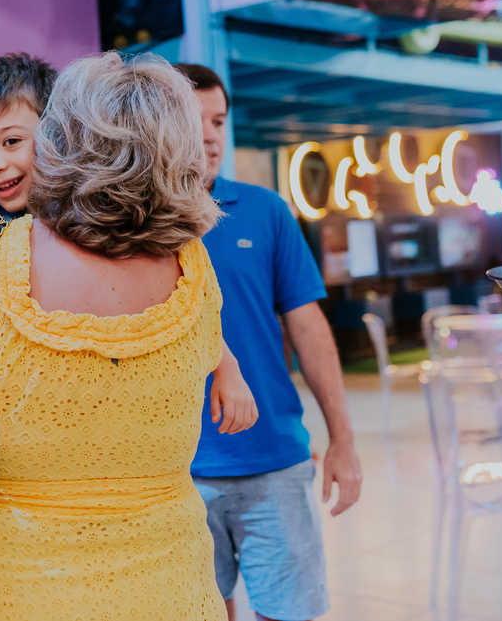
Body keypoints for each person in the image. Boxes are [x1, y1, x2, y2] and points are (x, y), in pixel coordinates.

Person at [0, 53, 256, 619]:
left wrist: (226, 366)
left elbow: (201, 322)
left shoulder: (18, 242)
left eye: (13, 142)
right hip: (158, 569)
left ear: (58, 136)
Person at [175, 63, 362, 621]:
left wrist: (343, 441)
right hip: (178, 472)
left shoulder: (267, 211)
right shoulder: (144, 223)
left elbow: (309, 328)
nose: (210, 135)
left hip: (274, 462)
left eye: (219, 121)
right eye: (194, 120)